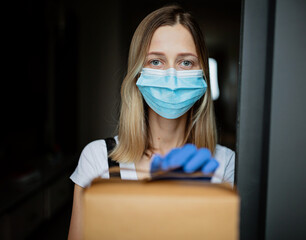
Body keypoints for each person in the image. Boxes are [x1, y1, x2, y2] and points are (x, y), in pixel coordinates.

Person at [67, 4, 235, 239]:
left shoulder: (225, 164)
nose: (171, 76)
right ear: (138, 73)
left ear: (202, 74)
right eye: (156, 61)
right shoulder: (97, 159)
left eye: (185, 62)